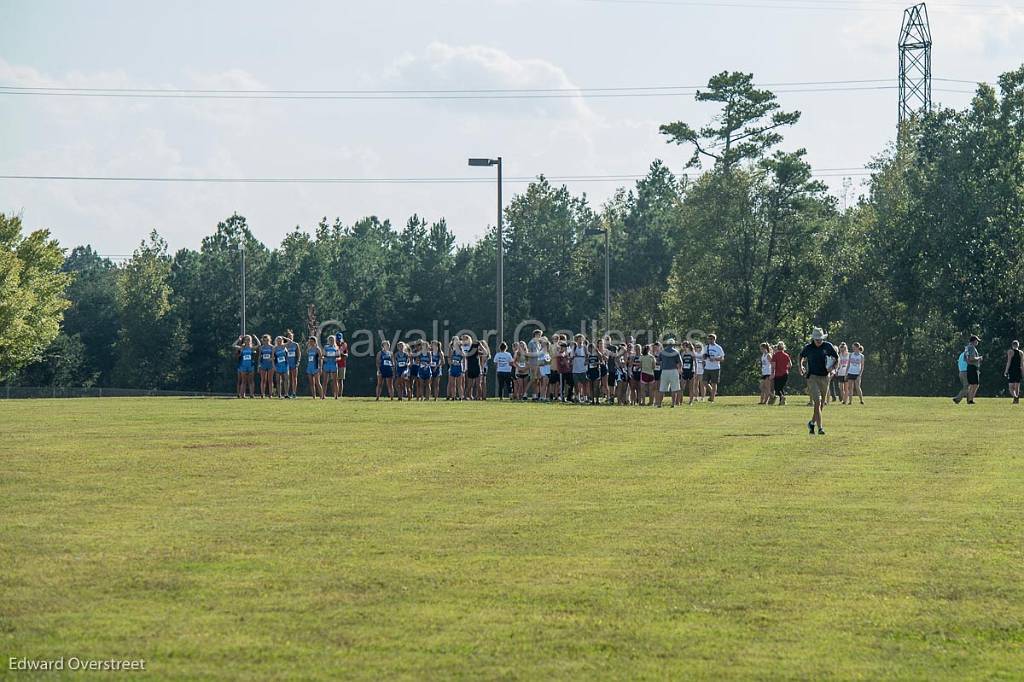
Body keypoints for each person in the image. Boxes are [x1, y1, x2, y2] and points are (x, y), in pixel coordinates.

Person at [799, 327, 839, 435]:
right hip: (812, 377)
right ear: (813, 339)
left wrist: (833, 368)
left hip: (825, 377)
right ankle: (820, 428)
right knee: (817, 401)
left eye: (820, 339)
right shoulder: (808, 348)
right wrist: (801, 366)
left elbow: (836, 358)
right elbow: (801, 356)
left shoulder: (828, 346)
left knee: (821, 404)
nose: (819, 341)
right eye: (817, 339)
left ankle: (812, 423)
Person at [657, 338, 683, 407]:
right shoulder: (676, 352)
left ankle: (659, 404)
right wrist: (680, 369)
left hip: (664, 371)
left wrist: (664, 363)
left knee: (662, 388)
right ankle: (673, 404)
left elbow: (658, 361)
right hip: (673, 370)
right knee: (674, 388)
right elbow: (680, 362)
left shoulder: (662, 352)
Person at [704, 334, 725, 402]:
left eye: (710, 339)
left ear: (714, 339)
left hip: (715, 368)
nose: (709, 340)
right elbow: (703, 356)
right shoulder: (706, 347)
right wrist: (705, 357)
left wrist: (715, 359)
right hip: (707, 367)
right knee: (704, 382)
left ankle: (712, 398)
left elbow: (722, 358)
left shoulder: (718, 348)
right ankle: (713, 392)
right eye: (708, 339)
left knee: (714, 383)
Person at [963, 335, 983, 405]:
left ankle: (969, 399)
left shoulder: (967, 347)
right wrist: (979, 358)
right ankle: (970, 400)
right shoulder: (971, 347)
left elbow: (965, 359)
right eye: (977, 341)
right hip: (972, 367)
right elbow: (971, 358)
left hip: (969, 367)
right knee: (975, 384)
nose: (977, 342)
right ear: (974, 341)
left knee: (972, 384)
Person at [571, 335, 589, 404]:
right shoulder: (574, 347)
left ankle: (585, 398)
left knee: (584, 383)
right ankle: (578, 397)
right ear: (576, 340)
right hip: (575, 368)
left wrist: (586, 361)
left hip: (583, 368)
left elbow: (587, 355)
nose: (580, 340)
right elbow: (571, 356)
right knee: (576, 384)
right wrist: (574, 355)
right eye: (579, 339)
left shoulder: (584, 347)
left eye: (581, 339)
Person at [1004, 340, 1022, 404]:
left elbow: (1009, 362)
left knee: (1011, 387)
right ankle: (1016, 400)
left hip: (1012, 370)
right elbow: (1022, 364)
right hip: (1018, 370)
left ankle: (1015, 397)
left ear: (1012, 345)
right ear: (1018, 345)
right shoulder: (1021, 353)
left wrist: (1006, 371)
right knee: (1017, 386)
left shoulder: (1010, 351)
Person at [257, 334, 274, 398]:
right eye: (264, 340)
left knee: (270, 380)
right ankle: (262, 394)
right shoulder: (261, 347)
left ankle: (270, 394)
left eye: (267, 340)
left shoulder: (272, 347)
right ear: (262, 341)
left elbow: (273, 356)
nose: (266, 341)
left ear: (269, 340)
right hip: (263, 364)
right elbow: (259, 357)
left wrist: (272, 360)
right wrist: (258, 366)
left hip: (270, 365)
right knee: (263, 380)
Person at [285, 330, 301, 399]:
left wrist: (298, 362)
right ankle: (286, 394)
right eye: (288, 337)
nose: (290, 338)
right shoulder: (284, 345)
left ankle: (294, 393)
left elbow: (299, 354)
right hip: (286, 364)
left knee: (294, 378)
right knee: (287, 379)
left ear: (293, 337)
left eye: (291, 337)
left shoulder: (296, 344)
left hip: (294, 363)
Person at [334, 332, 349, 398]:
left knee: (340, 380)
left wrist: (341, 353)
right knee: (334, 380)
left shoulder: (344, 345)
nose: (338, 340)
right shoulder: (333, 345)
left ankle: (340, 394)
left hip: (342, 364)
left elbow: (346, 355)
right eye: (337, 339)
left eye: (339, 339)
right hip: (334, 364)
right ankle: (335, 394)